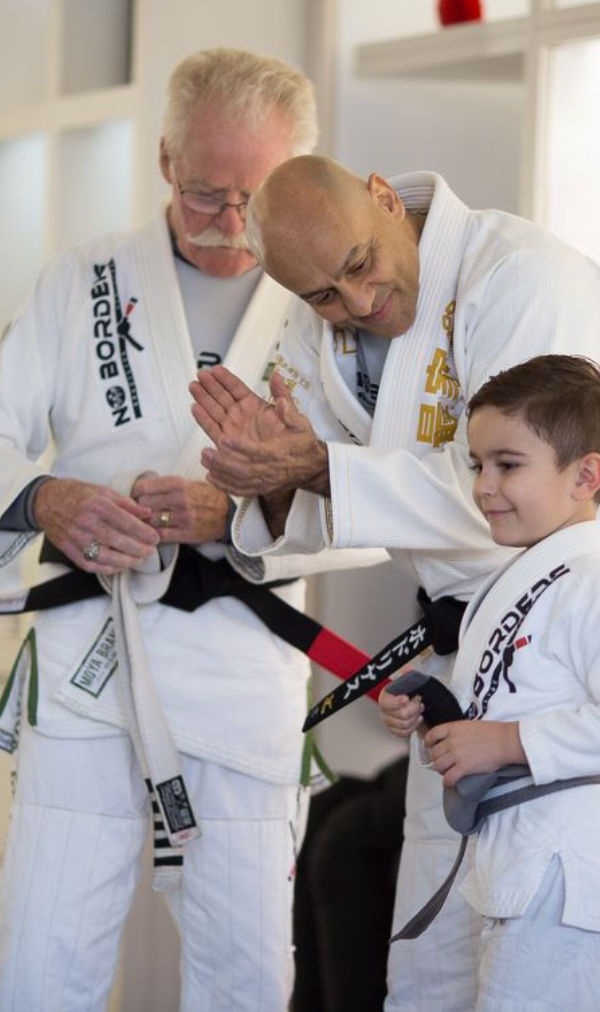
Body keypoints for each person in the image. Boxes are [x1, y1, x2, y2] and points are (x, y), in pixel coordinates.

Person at [189, 154, 600, 1012]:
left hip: (550, 684)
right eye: (324, 297)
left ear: (385, 198)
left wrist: (324, 469)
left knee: (532, 969)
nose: (357, 304)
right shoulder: (322, 319)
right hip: (459, 663)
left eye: (360, 267)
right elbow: (345, 509)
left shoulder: (521, 278)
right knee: (428, 964)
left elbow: (512, 497)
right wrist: (268, 474)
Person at [0, 48, 328, 1012]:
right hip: (88, 658)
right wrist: (48, 497)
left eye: (255, 198)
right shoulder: (82, 279)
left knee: (248, 968)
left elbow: (376, 502)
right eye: (204, 194)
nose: (231, 226)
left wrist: (238, 513)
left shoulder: (330, 306)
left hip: (239, 667)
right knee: (42, 956)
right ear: (161, 162)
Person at [383, 353, 600, 1011]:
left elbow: (511, 731)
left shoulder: (590, 577)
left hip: (566, 874)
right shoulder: (521, 577)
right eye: (477, 465)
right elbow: (515, 697)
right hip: (517, 867)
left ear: (586, 475)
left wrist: (504, 742)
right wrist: (435, 711)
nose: (483, 486)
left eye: (508, 465)